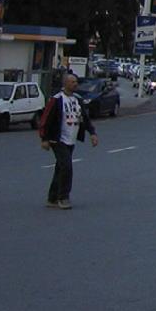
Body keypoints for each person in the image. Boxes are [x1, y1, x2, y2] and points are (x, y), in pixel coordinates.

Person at [38, 72, 97, 209]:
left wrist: (92, 133)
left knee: (60, 168)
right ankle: (63, 197)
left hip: (71, 139)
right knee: (66, 166)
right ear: (65, 84)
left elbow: (84, 118)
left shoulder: (77, 99)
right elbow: (45, 120)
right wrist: (44, 139)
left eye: (76, 82)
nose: (75, 84)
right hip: (57, 139)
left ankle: (52, 198)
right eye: (72, 82)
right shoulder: (57, 99)